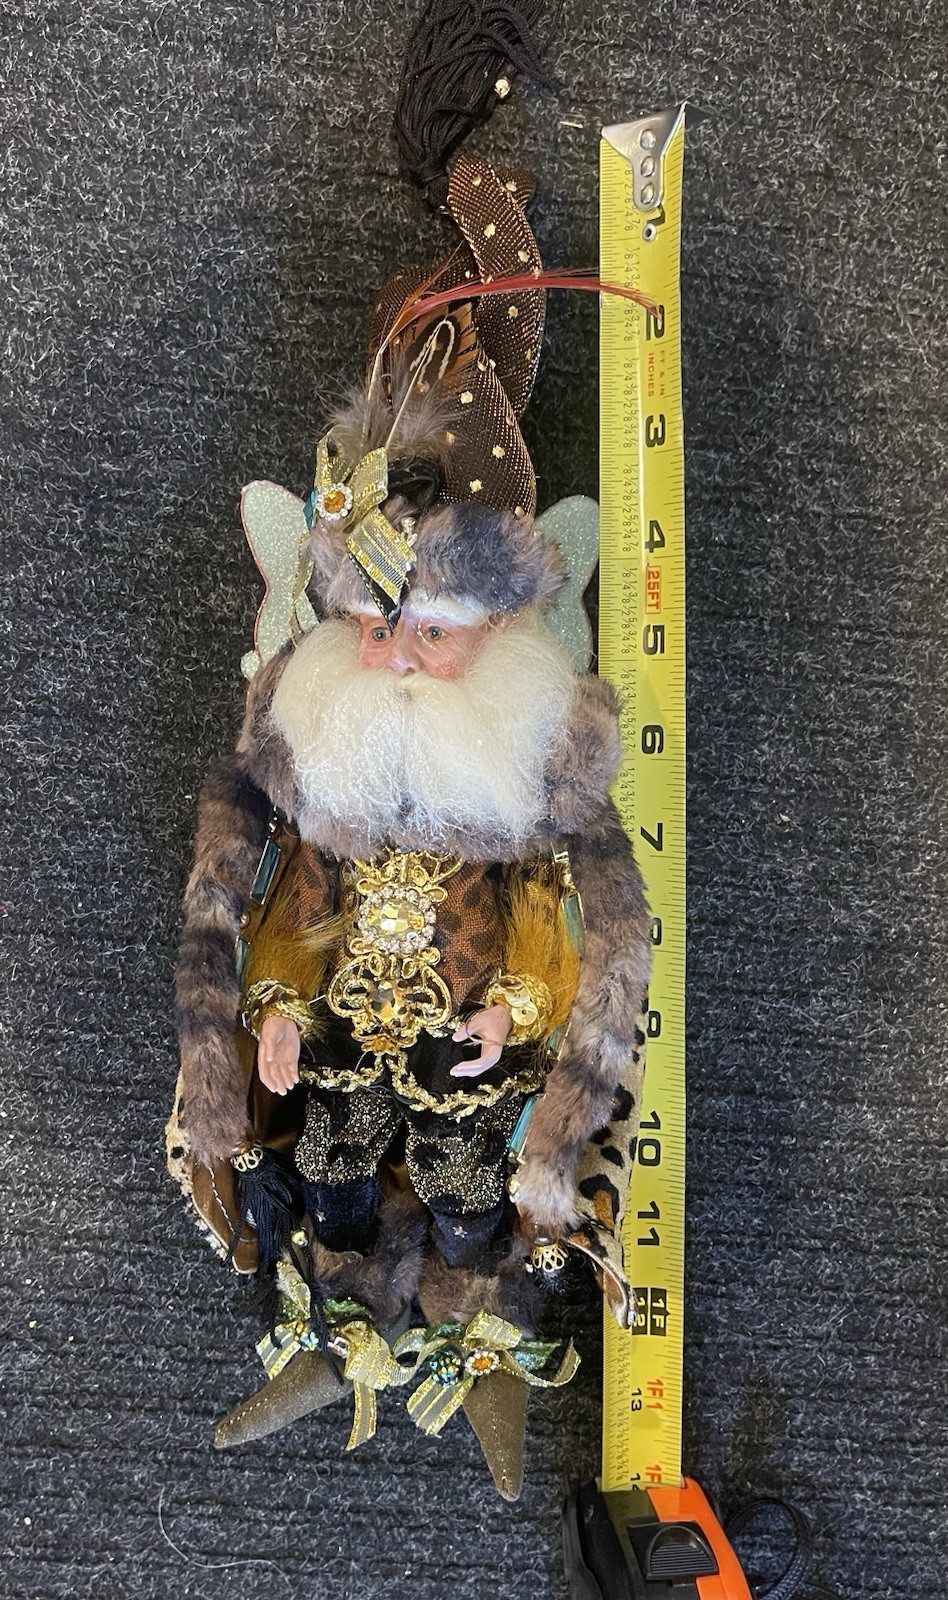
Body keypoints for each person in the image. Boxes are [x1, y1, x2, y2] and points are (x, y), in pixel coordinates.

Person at [167, 155, 650, 1499]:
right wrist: (272, 1006)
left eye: (431, 633)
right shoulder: (316, 748)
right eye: (374, 628)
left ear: (497, 631)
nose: (393, 659)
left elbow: (559, 930)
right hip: (340, 1035)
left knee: (459, 1174)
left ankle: (479, 1322)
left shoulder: (528, 778)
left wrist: (518, 1012)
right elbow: (284, 902)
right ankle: (335, 1313)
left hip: (466, 1052)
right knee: (326, 1156)